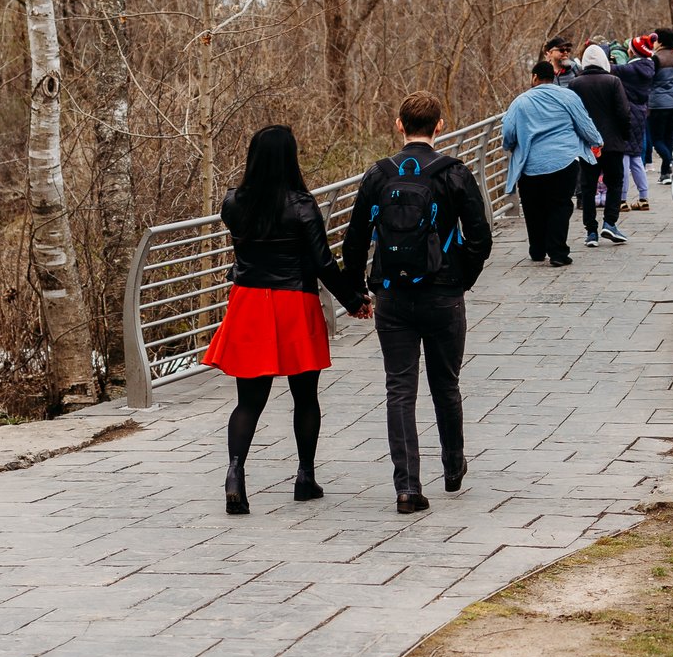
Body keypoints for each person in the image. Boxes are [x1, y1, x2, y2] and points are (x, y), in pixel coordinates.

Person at [201, 125, 367, 516]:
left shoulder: (233, 203)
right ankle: (305, 477)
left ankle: (235, 473)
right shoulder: (302, 205)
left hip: (249, 302)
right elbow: (323, 262)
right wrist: (353, 300)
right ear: (290, 158)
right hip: (295, 302)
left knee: (248, 401)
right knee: (305, 396)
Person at [343, 92, 494, 514]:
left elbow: (354, 240)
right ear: (440, 125)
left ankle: (407, 485)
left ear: (398, 124)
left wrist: (357, 292)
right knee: (446, 383)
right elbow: (481, 237)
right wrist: (462, 277)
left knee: (399, 390)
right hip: (444, 294)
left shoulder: (378, 175)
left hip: (391, 295)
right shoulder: (455, 173)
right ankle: (451, 467)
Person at [501, 57, 601, 267]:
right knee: (560, 205)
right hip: (564, 160)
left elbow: (508, 133)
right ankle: (558, 253)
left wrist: (511, 145)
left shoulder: (520, 101)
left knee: (532, 206)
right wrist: (597, 141)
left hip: (530, 165)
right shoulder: (568, 96)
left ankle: (537, 250)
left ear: (534, 77)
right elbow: (585, 123)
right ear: (554, 76)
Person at [565, 45, 638, 246]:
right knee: (615, 183)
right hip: (612, 143)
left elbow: (570, 115)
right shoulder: (613, 81)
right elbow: (624, 112)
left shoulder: (574, 84)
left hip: (587, 145)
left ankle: (591, 232)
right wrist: (624, 135)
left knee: (587, 186)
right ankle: (610, 223)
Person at [615, 37, 658, 209]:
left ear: (633, 51)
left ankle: (622, 199)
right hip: (640, 113)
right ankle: (643, 197)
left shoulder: (630, 69)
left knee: (624, 157)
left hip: (627, 113)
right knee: (635, 158)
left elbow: (610, 69)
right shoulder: (647, 67)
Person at [646, 28, 673, 183]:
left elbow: (649, 80)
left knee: (656, 138)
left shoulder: (656, 59)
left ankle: (670, 161)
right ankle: (665, 174)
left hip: (657, 104)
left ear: (661, 41)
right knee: (667, 137)